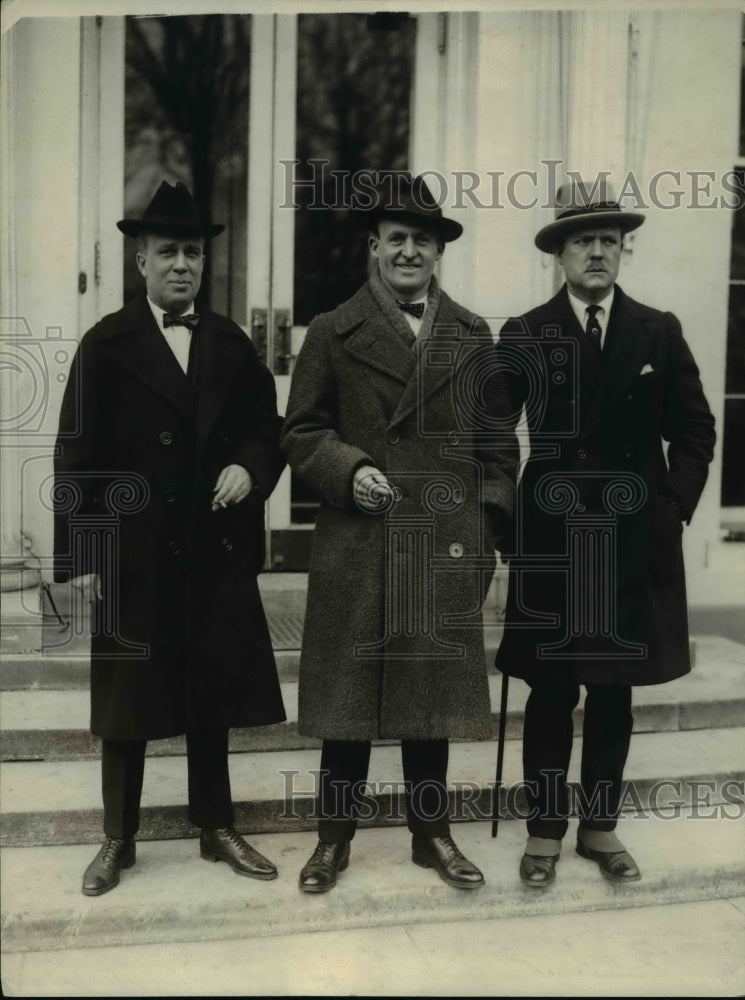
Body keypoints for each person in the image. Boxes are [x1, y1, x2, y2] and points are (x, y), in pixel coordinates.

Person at [281, 173, 518, 892]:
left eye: (421, 239)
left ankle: (431, 835)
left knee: (429, 701)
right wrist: (348, 470)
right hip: (359, 540)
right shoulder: (332, 330)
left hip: (441, 541)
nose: (408, 251)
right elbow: (300, 430)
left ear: (438, 251)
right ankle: (332, 841)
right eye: (396, 239)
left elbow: (498, 449)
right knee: (346, 705)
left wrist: (483, 532)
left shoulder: (472, 336)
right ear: (373, 247)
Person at [53, 180, 286, 896]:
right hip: (136, 550)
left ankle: (216, 826)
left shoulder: (229, 342)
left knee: (211, 691)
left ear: (204, 262)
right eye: (166, 253)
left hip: (212, 549)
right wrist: (85, 553)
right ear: (141, 262)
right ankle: (117, 838)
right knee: (127, 700)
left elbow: (265, 426)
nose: (181, 264)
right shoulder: (106, 343)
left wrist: (249, 468)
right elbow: (77, 452)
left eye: (192, 252)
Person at [495, 178, 716, 887]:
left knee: (615, 690)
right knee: (551, 689)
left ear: (623, 251)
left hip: (631, 538)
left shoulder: (658, 329)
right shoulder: (525, 332)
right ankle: (542, 832)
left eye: (608, 241)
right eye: (582, 241)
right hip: (554, 540)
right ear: (558, 255)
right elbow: (491, 433)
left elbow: (694, 428)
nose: (596, 252)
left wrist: (670, 504)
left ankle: (599, 827)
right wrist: (508, 522)